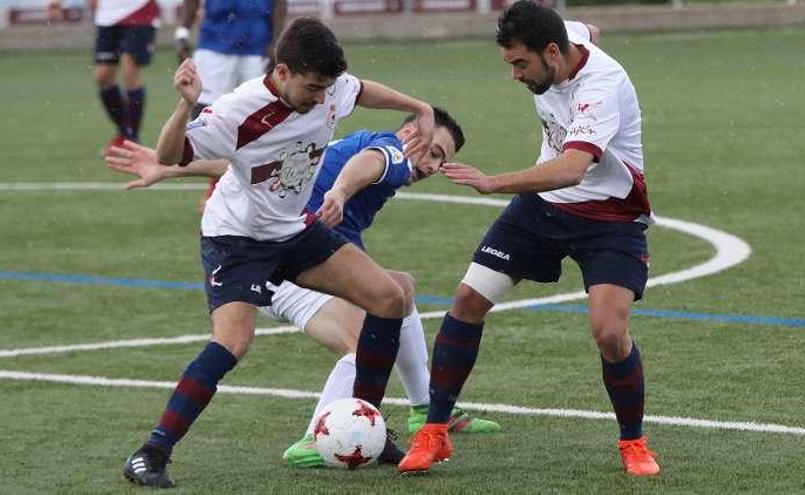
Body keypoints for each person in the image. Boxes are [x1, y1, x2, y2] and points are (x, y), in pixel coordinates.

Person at [120, 17, 436, 488]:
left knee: (389, 297)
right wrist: (185, 105)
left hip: (293, 229)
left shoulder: (328, 87)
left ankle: (369, 425)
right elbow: (170, 154)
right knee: (232, 342)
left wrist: (418, 107)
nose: (320, 97)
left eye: (326, 87)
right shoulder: (239, 110)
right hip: (236, 240)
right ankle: (152, 451)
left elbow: (361, 89)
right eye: (311, 87)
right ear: (283, 72)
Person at [105, 109, 501, 469]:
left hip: (300, 257)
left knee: (397, 289)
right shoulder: (388, 151)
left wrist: (170, 169)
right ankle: (317, 437)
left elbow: (250, 165)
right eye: (432, 151)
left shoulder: (347, 144)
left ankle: (425, 407)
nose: (433, 165)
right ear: (410, 132)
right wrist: (341, 193)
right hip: (286, 268)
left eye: (441, 160)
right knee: (360, 340)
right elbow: (367, 165)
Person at [398, 2, 660, 477]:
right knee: (467, 300)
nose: (515, 75)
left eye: (521, 63)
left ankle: (634, 442)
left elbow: (573, 168)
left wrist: (492, 182)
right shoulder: (565, 37)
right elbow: (589, 29)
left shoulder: (600, 88)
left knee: (609, 333)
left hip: (610, 214)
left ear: (553, 53)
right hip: (543, 207)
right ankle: (433, 431)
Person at [47, 0, 160, 150]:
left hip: (139, 13)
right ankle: (124, 133)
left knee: (129, 72)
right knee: (103, 77)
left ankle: (132, 140)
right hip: (107, 17)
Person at [174, 0, 287, 118]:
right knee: (204, 111)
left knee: (260, 110)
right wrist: (182, 34)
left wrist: (277, 43)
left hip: (257, 48)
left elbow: (279, 3)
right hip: (213, 45)